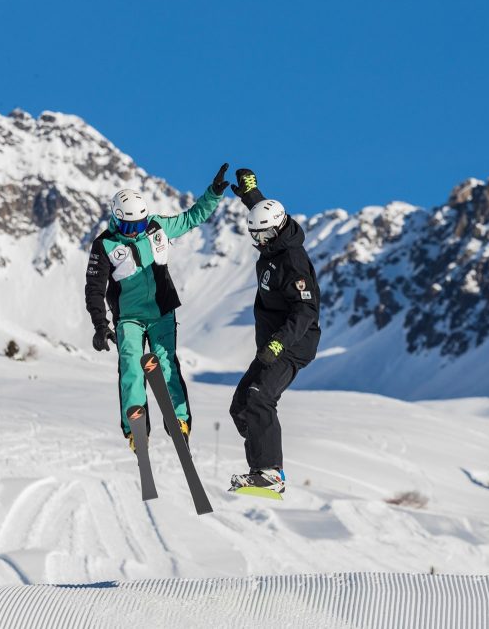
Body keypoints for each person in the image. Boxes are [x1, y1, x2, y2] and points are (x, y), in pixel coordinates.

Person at [85, 164, 230, 449]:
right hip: (129, 318)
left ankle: (179, 420)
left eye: (138, 226)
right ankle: (135, 426)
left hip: (162, 312)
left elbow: (192, 218)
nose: (134, 232)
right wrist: (100, 326)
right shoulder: (104, 245)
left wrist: (213, 194)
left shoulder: (155, 228)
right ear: (116, 220)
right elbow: (94, 289)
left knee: (166, 365)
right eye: (128, 227)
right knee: (131, 368)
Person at [228, 169, 321, 495]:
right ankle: (260, 469)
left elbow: (306, 310)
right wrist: (252, 195)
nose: (261, 243)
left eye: (265, 237)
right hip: (272, 344)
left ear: (278, 231)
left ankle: (270, 473)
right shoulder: (274, 246)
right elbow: (268, 214)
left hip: (292, 343)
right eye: (256, 237)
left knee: (259, 397)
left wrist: (279, 344)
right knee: (241, 407)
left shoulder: (293, 261)